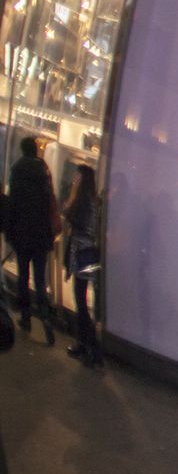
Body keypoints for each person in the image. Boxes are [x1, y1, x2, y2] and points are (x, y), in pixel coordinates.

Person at [7, 135, 56, 346]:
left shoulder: (17, 170)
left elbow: (13, 204)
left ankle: (26, 317)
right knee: (39, 279)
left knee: (23, 276)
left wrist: (10, 231)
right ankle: (46, 321)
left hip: (22, 233)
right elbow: (49, 202)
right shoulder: (44, 171)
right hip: (41, 234)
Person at [60, 164, 103, 367]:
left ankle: (87, 346)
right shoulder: (94, 201)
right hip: (90, 255)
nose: (74, 179)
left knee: (81, 302)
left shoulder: (83, 201)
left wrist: (72, 193)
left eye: (77, 176)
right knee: (82, 301)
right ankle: (87, 345)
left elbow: (67, 211)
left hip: (82, 255)